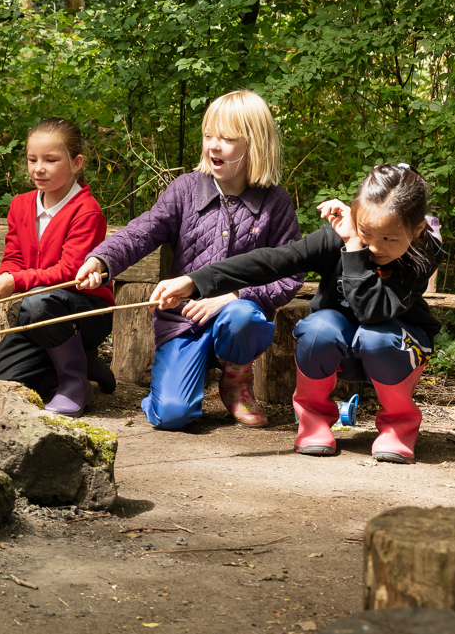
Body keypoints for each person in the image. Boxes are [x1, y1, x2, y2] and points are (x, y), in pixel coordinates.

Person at [154, 164, 444, 463]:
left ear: (417, 229)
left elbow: (373, 312)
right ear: (356, 213)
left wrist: (355, 246)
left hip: (394, 348)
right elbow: (272, 261)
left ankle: (399, 425)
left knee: (377, 337)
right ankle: (313, 420)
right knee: (319, 328)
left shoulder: (421, 253)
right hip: (337, 350)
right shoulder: (340, 233)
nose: (375, 246)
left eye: (389, 239)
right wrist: (195, 281)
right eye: (366, 231)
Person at [77, 90, 301, 430]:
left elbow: (290, 275)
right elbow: (142, 232)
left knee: (242, 318)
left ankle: (236, 381)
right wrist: (102, 261)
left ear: (254, 144)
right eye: (209, 135)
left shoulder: (275, 202)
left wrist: (234, 296)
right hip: (183, 321)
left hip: (238, 320)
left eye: (226, 138)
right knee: (173, 415)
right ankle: (169, 389)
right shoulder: (186, 190)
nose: (213, 145)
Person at [0, 118, 114, 413]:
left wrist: (17, 282)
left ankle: (74, 380)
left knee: (40, 301)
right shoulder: (21, 205)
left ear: (76, 162)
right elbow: (14, 255)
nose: (38, 168)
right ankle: (86, 362)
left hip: (84, 310)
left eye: (50, 160)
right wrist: (5, 275)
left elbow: (70, 272)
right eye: (32, 159)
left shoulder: (86, 210)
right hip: (37, 314)